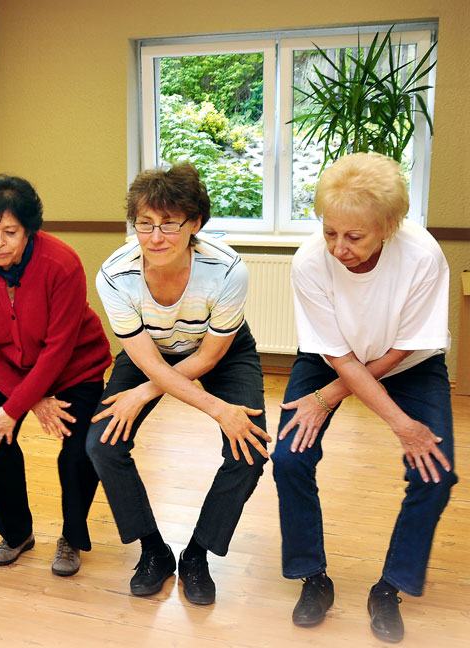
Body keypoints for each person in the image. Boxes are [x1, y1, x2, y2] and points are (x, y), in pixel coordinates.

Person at [272, 152, 456, 643]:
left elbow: (403, 347)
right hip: (333, 360)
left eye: (354, 236)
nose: (338, 247)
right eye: (330, 231)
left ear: (389, 226)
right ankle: (313, 579)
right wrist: (334, 395)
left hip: (409, 362)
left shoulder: (422, 255)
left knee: (435, 470)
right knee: (289, 457)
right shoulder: (310, 261)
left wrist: (332, 400)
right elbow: (343, 361)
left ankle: (390, 588)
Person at [87, 162, 271, 602]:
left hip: (221, 351)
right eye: (144, 224)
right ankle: (154, 550)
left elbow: (209, 356)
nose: (154, 238)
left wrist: (153, 396)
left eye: (169, 225)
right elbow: (149, 361)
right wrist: (151, 389)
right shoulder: (114, 274)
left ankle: (197, 554)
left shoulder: (227, 270)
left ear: (196, 224)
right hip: (149, 353)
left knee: (250, 448)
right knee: (101, 443)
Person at [0, 175, 111, 576]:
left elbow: (59, 347)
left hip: (77, 368)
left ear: (29, 231)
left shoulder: (62, 263)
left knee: (78, 453)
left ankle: (72, 538)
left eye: (10, 232)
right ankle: (16, 533)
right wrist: (26, 402)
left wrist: (20, 404)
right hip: (11, 371)